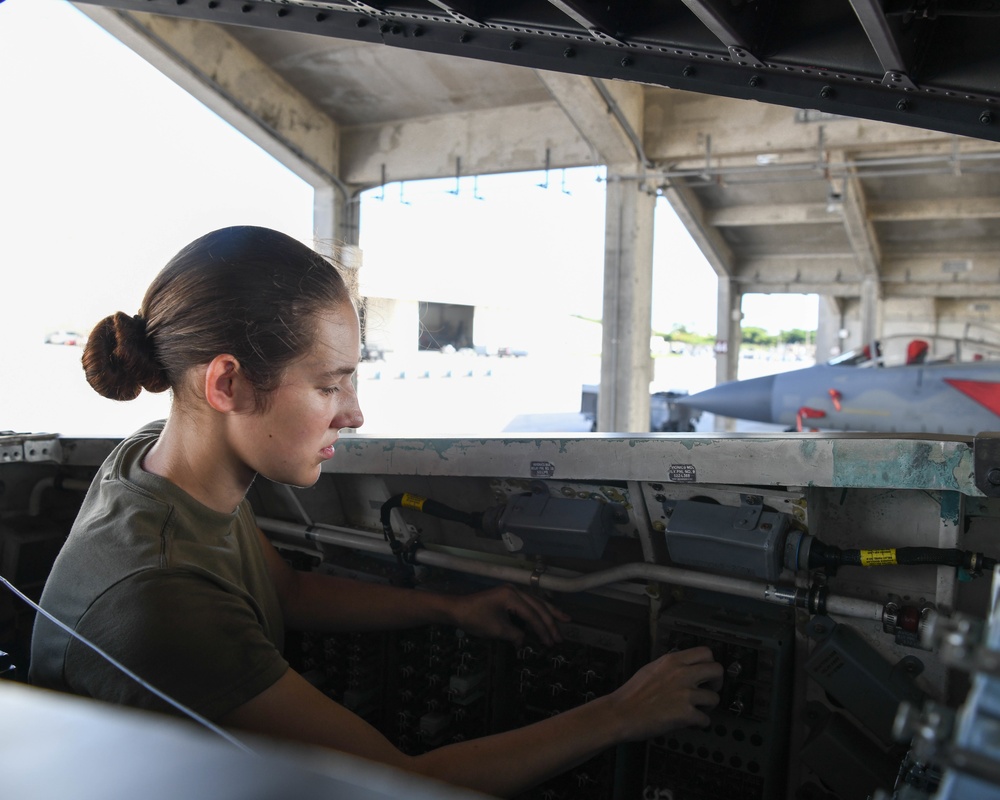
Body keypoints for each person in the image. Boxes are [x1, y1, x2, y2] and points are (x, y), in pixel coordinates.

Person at [30, 226, 722, 797]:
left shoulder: (162, 462)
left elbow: (287, 590)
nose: (356, 413)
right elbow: (398, 785)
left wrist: (448, 608)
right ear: (227, 383)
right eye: (330, 385)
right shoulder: (158, 595)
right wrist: (623, 714)